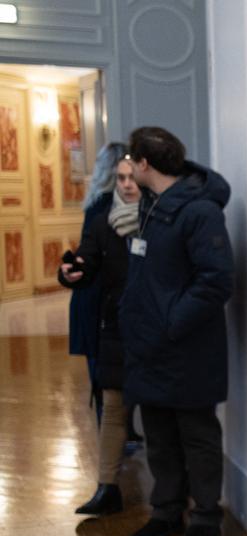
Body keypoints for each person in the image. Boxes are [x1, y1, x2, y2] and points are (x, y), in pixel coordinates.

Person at [118, 127, 234, 536]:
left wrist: (170, 323)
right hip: (151, 347)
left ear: (144, 164)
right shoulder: (152, 205)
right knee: (160, 437)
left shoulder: (200, 212)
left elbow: (216, 281)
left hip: (186, 349)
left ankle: (205, 516)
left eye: (132, 161)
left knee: (197, 435)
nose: (128, 169)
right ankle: (166, 511)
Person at [59, 142, 141, 515]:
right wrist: (71, 273)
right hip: (115, 328)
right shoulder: (101, 220)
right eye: (120, 178)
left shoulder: (163, 217)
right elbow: (85, 265)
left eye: (131, 177)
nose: (126, 185)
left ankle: (171, 499)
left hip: (156, 330)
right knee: (112, 406)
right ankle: (107, 488)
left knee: (158, 411)